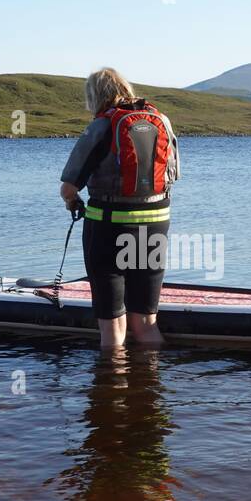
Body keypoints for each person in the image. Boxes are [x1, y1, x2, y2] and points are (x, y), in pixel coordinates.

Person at [59, 67, 181, 348]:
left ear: (94, 96)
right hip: (155, 225)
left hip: (108, 228)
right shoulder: (161, 119)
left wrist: (71, 202)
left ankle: (111, 387)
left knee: (113, 327)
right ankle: (150, 387)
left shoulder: (102, 125)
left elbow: (68, 188)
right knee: (147, 323)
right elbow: (172, 176)